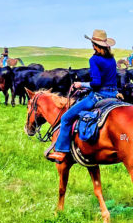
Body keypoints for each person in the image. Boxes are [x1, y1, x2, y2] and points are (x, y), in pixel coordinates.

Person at [45, 30, 120, 163]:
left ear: (95, 46)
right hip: (114, 95)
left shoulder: (95, 59)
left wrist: (81, 84)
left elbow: (96, 83)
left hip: (99, 96)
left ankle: (61, 152)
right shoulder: (112, 59)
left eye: (93, 44)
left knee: (66, 118)